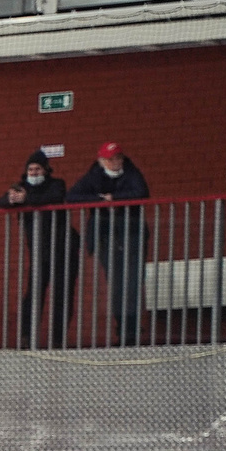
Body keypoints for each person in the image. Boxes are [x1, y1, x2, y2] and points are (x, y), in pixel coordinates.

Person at [0, 148, 75, 348]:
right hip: (39, 251)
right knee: (34, 293)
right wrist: (13, 199)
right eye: (31, 169)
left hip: (63, 248)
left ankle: (57, 338)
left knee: (62, 293)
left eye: (38, 169)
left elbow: (54, 197)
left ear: (46, 170)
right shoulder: (21, 187)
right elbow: (0, 202)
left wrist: (25, 200)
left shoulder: (56, 184)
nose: (34, 173)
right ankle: (27, 336)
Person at [70, 141, 149, 344]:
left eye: (118, 158)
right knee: (116, 283)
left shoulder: (131, 172)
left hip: (131, 234)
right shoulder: (94, 175)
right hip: (106, 236)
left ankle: (131, 327)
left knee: (132, 282)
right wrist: (99, 199)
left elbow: (141, 192)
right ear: (102, 160)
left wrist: (114, 198)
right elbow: (71, 196)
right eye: (110, 159)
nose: (115, 162)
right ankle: (122, 326)